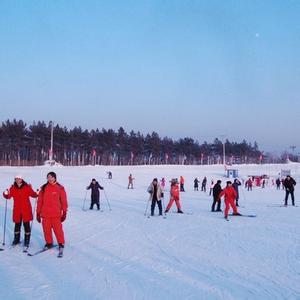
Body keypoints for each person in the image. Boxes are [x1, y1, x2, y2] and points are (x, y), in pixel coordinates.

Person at [3, 175, 38, 247]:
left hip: (26, 209)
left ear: (22, 179)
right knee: (17, 225)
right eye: (16, 179)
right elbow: (8, 196)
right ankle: (16, 239)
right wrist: (5, 194)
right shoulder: (13, 188)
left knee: (26, 225)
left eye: (19, 179)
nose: (18, 180)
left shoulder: (27, 187)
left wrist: (37, 193)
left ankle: (27, 240)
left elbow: (33, 194)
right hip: (17, 210)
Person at [36, 172, 68, 250]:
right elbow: (40, 201)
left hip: (56, 214)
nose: (50, 179)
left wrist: (64, 212)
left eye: (51, 177)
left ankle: (61, 243)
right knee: (46, 230)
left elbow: (64, 201)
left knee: (58, 230)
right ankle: (49, 243)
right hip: (45, 214)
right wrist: (38, 213)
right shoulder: (43, 188)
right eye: (48, 177)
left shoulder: (60, 188)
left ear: (55, 178)